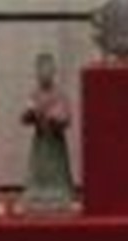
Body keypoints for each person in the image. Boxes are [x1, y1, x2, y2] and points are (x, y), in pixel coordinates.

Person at [20, 52, 75, 213]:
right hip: (40, 142)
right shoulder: (34, 94)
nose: (44, 73)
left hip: (55, 143)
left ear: (53, 71)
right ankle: (37, 190)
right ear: (37, 72)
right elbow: (24, 119)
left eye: (48, 69)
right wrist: (30, 113)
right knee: (39, 170)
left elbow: (67, 118)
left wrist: (56, 117)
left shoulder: (60, 94)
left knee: (56, 170)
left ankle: (59, 190)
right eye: (41, 69)